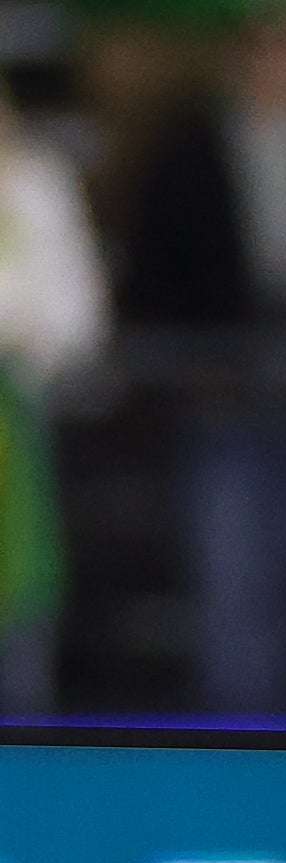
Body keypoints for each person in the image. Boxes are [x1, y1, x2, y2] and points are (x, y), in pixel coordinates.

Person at [122, 14, 286, 713]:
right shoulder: (190, 156)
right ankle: (240, 732)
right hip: (221, 397)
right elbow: (154, 272)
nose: (278, 71)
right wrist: (194, 364)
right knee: (231, 577)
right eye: (262, 56)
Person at [0, 85, 107, 714]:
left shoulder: (39, 186)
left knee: (23, 584)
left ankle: (24, 725)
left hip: (23, 411)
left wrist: (24, 343)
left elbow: (79, 312)